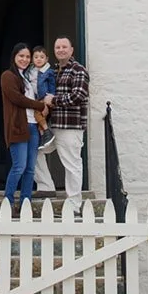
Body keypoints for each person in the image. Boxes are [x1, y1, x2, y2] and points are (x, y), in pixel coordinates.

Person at [0, 42, 52, 214]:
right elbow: (17, 98)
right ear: (14, 57)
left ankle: (25, 204)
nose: (25, 59)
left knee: (30, 169)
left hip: (33, 126)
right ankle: (7, 202)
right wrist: (39, 105)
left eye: (27, 56)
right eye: (21, 56)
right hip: (18, 126)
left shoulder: (29, 77)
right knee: (19, 167)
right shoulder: (8, 76)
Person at [51, 36, 90, 212]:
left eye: (64, 47)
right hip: (53, 125)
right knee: (33, 151)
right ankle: (46, 187)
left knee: (72, 164)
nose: (61, 50)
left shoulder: (78, 70)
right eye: (57, 47)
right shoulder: (53, 70)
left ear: (71, 50)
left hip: (70, 127)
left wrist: (53, 101)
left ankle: (74, 203)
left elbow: (78, 96)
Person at [29, 46, 57, 192]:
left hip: (43, 100)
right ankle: (44, 133)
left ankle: (46, 133)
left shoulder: (48, 72)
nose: (39, 59)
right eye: (36, 57)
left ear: (46, 59)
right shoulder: (30, 72)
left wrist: (49, 99)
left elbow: (52, 87)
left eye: (42, 57)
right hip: (33, 103)